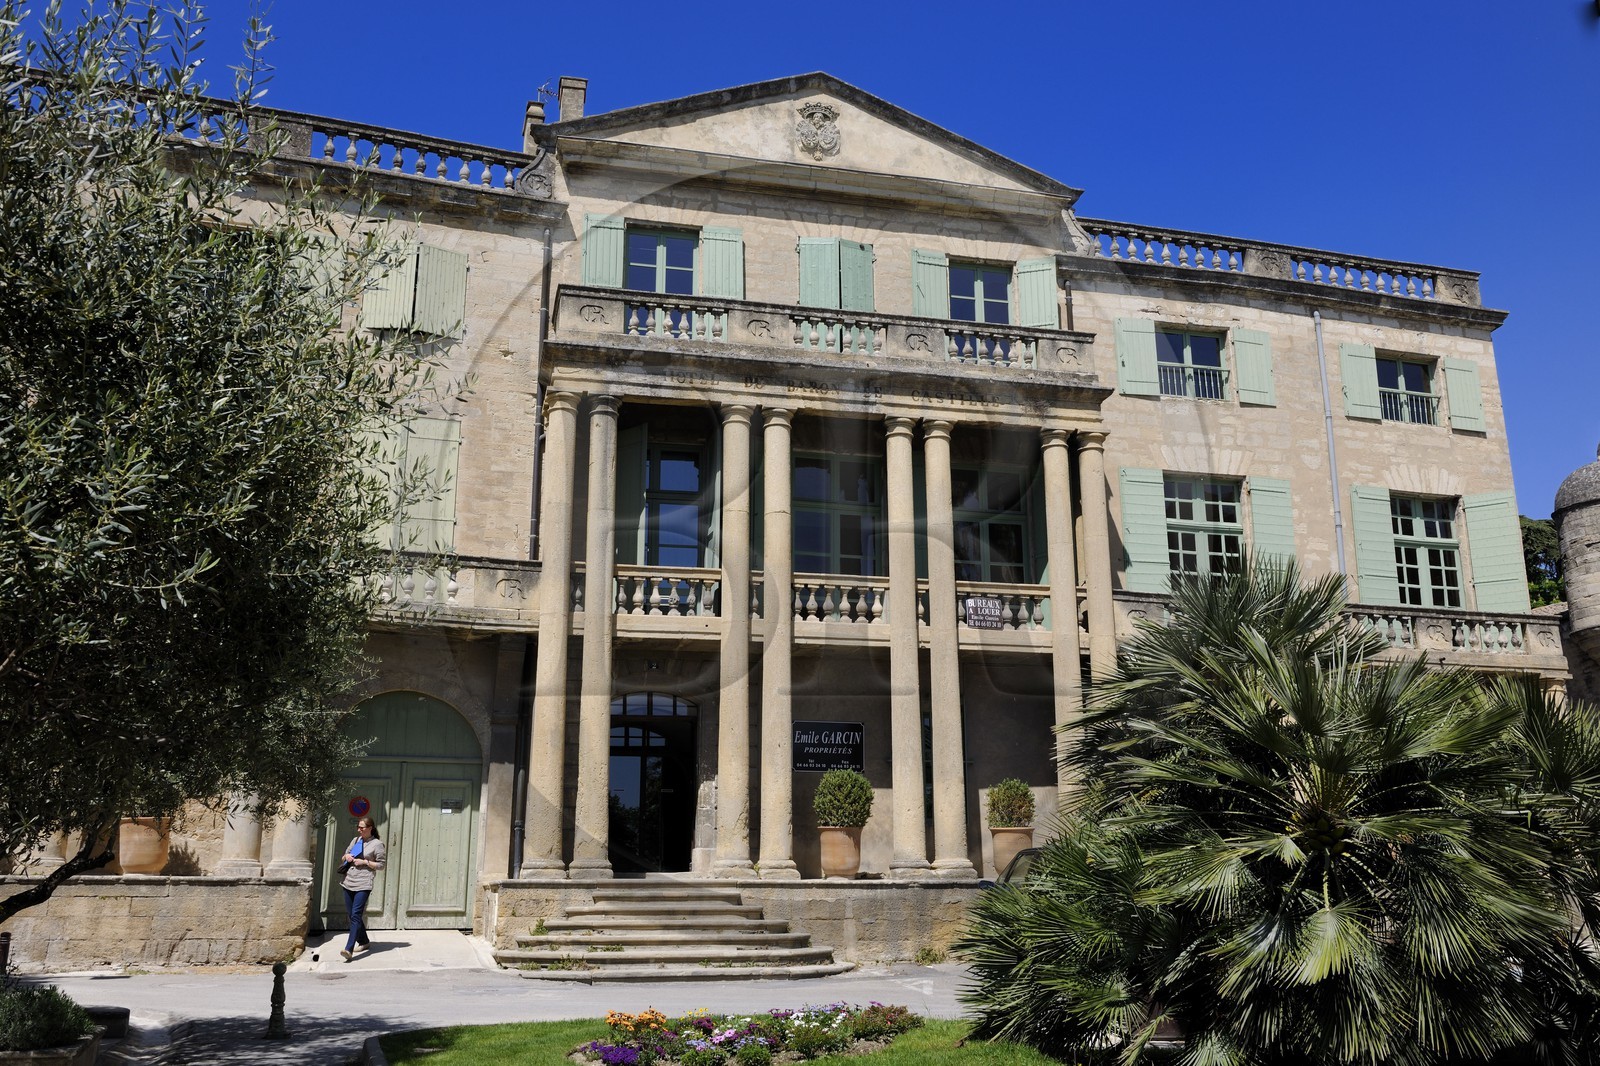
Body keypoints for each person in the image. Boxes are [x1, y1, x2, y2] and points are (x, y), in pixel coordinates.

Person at [339, 816, 385, 961]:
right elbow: (344, 856)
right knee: (352, 915)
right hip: (349, 881)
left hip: (364, 883)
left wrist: (365, 861)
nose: (359, 830)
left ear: (370, 828)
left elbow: (381, 865)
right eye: (358, 827)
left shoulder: (377, 844)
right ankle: (364, 942)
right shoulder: (356, 840)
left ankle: (348, 949)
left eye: (362, 827)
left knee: (356, 915)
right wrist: (347, 856)